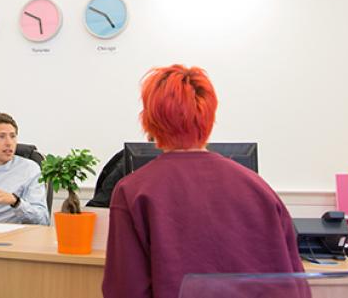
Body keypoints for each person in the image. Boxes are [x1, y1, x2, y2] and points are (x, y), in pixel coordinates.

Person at [102, 64, 303, 298]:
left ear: (149, 120)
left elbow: (126, 290)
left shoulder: (133, 191)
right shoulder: (260, 189)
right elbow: (296, 286)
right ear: (209, 116)